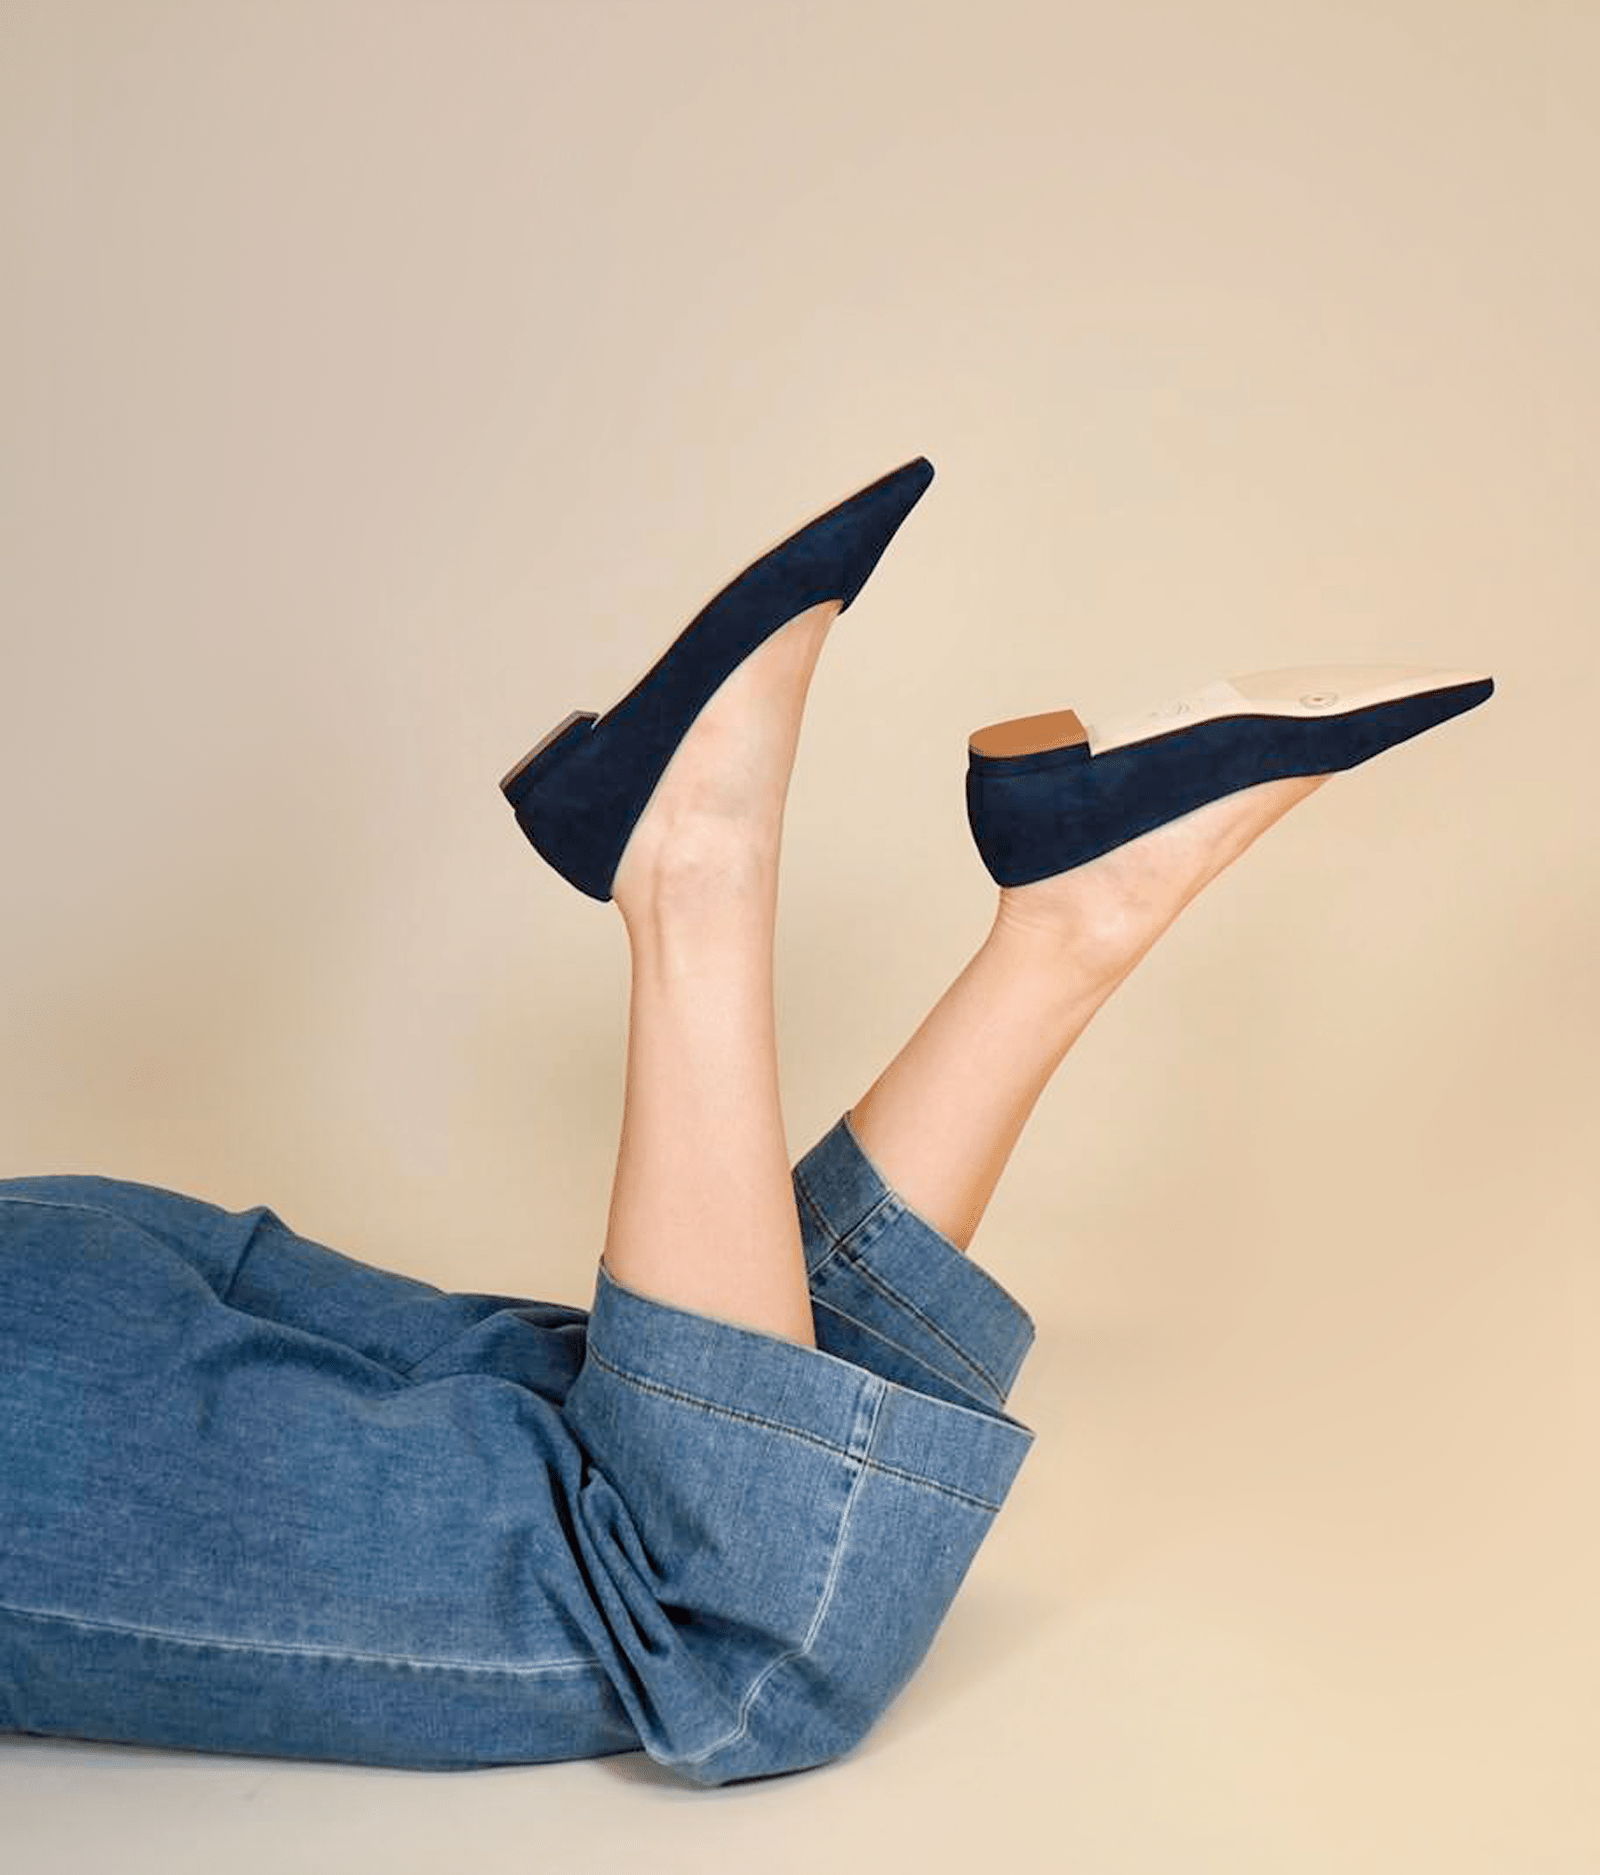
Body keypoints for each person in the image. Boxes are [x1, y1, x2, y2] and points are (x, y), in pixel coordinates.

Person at [0, 459, 1492, 1786]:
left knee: (704, 1609)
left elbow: (722, 1607)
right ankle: (1074, 916)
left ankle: (692, 861)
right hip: (58, 1253)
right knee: (702, 1440)